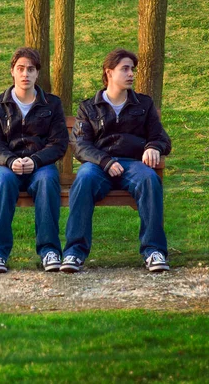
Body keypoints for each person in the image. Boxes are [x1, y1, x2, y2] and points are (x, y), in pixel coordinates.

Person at [61, 48, 172, 273]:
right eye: (125, 69)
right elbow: (80, 145)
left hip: (133, 165)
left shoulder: (143, 105)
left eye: (132, 69)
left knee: (150, 179)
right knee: (83, 179)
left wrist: (153, 147)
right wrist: (105, 162)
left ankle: (153, 251)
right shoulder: (89, 107)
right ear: (109, 72)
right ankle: (74, 252)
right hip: (99, 166)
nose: (131, 74)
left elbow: (162, 138)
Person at [0, 47, 69, 273]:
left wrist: (36, 160)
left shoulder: (52, 104)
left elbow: (58, 143)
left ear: (37, 73)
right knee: (1, 181)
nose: (25, 74)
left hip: (40, 167)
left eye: (31, 69)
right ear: (12, 71)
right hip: (7, 167)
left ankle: (49, 251)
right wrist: (10, 161)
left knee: (48, 180)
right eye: (20, 69)